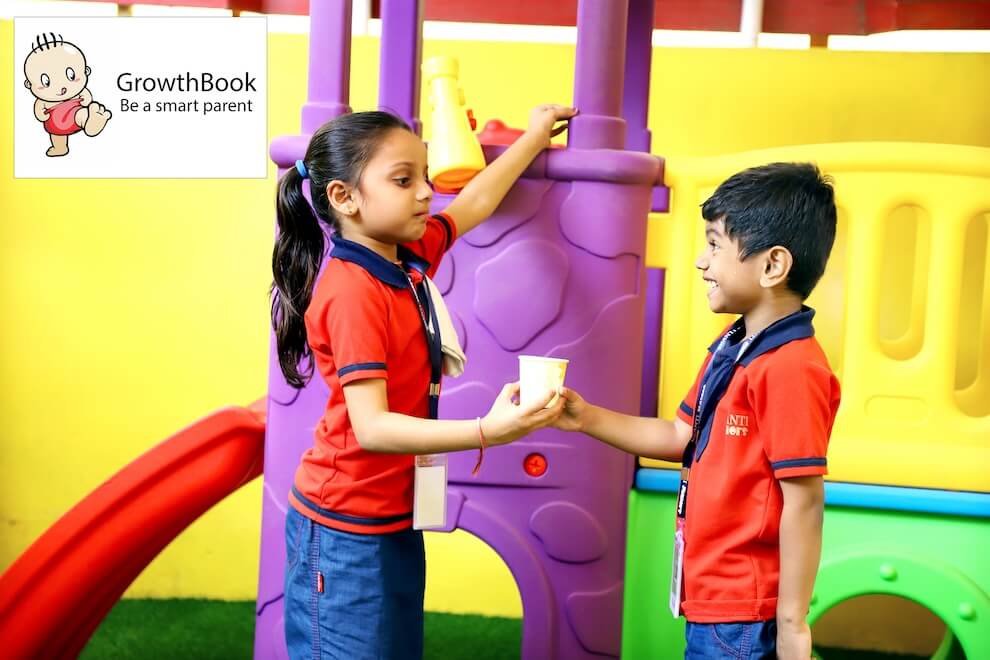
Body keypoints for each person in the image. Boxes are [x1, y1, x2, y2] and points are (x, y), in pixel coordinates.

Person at [271, 104, 576, 660]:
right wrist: (486, 431)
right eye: (403, 180)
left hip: (392, 515)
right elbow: (373, 428)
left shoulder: (404, 260)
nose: (426, 193)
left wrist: (534, 137)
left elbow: (473, 204)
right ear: (344, 197)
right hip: (344, 527)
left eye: (426, 176)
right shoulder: (353, 292)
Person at [554, 162, 841, 659]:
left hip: (743, 609)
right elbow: (679, 435)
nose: (699, 261)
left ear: (772, 266)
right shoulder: (733, 344)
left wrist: (792, 621)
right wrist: (584, 417)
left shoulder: (791, 367)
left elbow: (804, 501)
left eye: (714, 245)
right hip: (712, 597)